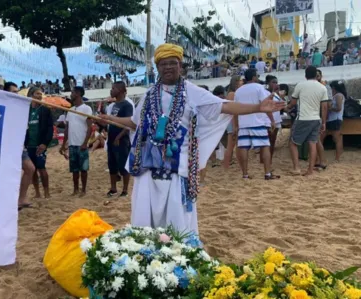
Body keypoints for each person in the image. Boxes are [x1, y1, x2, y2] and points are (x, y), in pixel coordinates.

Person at [101, 44, 284, 233]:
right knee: (145, 218)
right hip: (148, 165)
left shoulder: (192, 91)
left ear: (180, 65)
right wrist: (111, 119)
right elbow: (135, 122)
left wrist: (257, 108)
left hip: (177, 165)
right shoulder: (149, 94)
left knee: (177, 217)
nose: (168, 67)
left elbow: (225, 106)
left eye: (173, 63)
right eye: (163, 64)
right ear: (157, 67)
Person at [234, 69, 278, 180]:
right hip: (257, 121)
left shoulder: (238, 91)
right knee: (265, 146)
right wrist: (272, 120)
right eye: (256, 76)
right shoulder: (259, 87)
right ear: (253, 77)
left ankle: (245, 174)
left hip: (243, 122)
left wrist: (236, 125)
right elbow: (266, 105)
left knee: (244, 148)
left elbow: (235, 109)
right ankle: (267, 173)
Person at [286, 66, 328, 176]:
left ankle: (296, 168)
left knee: (292, 143)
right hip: (316, 119)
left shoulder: (300, 85)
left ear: (305, 75)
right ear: (316, 75)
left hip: (303, 118)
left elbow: (293, 103)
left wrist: (287, 107)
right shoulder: (322, 88)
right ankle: (310, 170)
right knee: (313, 143)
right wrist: (324, 122)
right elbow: (324, 107)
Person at [60, 86, 93, 196]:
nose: (71, 94)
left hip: (81, 143)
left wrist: (85, 142)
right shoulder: (70, 110)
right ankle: (75, 189)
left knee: (83, 169)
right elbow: (67, 129)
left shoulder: (86, 109)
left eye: (73, 92)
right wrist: (64, 144)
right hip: (72, 144)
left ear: (78, 94)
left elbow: (90, 127)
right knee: (74, 169)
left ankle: (83, 189)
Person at [105, 82, 134, 198]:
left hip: (121, 140)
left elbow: (128, 123)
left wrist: (119, 136)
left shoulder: (127, 105)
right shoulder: (112, 106)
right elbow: (111, 122)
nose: (111, 91)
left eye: (113, 88)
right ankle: (113, 188)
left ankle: (125, 190)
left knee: (123, 164)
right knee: (112, 164)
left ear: (121, 90)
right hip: (111, 138)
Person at [25, 87, 54, 199]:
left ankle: (47, 192)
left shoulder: (45, 110)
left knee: (42, 168)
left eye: (40, 94)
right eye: (37, 94)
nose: (39, 96)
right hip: (29, 145)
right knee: (32, 170)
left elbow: (49, 128)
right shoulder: (26, 110)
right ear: (31, 95)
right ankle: (37, 192)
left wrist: (45, 143)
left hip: (40, 144)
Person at [320, 80, 346, 162]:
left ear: (334, 88)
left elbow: (338, 108)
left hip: (335, 119)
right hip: (333, 119)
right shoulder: (337, 95)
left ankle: (337, 158)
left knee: (336, 139)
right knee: (335, 138)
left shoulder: (338, 95)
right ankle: (336, 158)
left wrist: (329, 108)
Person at [222, 75, 243, 169]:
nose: (242, 82)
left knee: (234, 144)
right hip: (232, 121)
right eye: (241, 81)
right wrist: (235, 125)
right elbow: (232, 111)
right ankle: (226, 164)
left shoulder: (233, 93)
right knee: (231, 145)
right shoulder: (232, 94)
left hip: (232, 120)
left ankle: (228, 164)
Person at [264, 75, 283, 163]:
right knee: (267, 142)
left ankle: (269, 160)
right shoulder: (264, 93)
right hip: (268, 120)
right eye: (273, 82)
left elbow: (282, 104)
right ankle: (265, 161)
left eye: (276, 82)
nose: (275, 84)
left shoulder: (276, 93)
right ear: (268, 83)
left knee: (273, 141)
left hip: (276, 119)